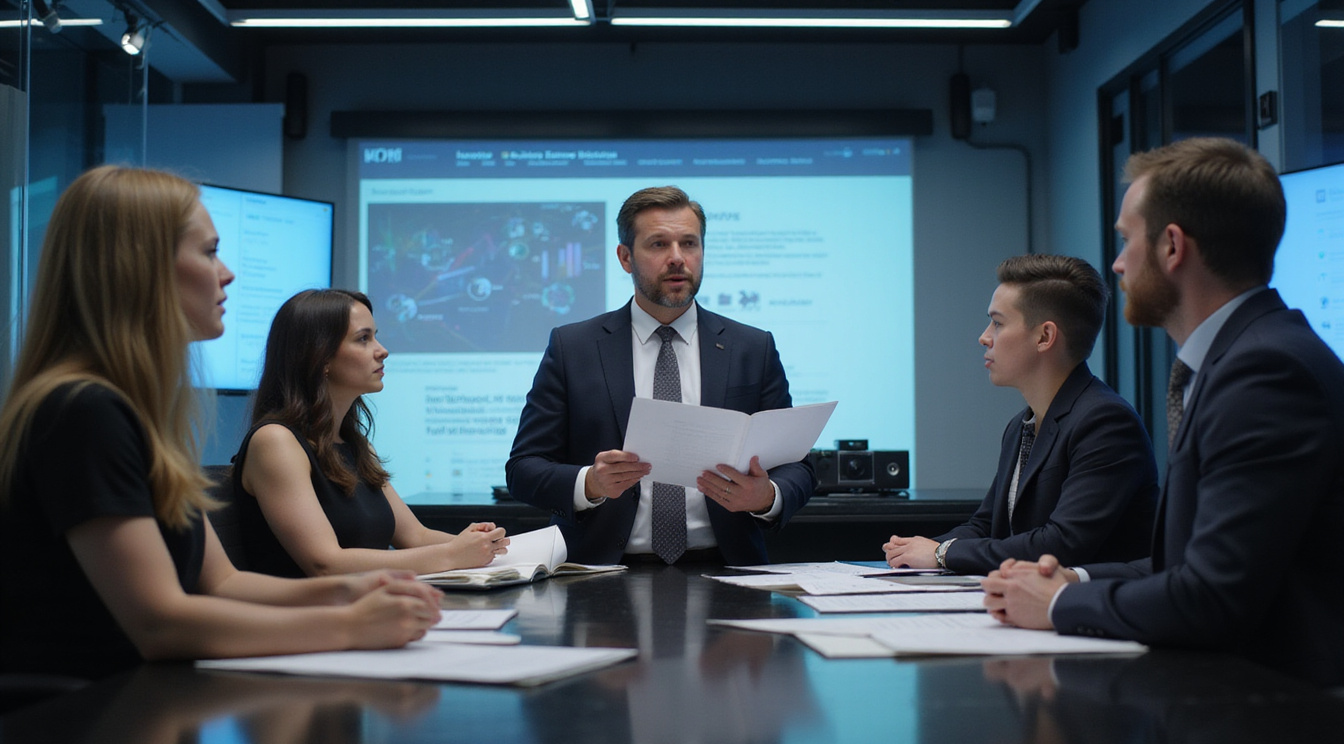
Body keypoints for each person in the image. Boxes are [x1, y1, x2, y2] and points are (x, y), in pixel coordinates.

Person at [0, 166, 443, 682]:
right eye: (210, 252)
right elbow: (158, 623)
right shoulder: (82, 411)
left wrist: (353, 588)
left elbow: (225, 584)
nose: (227, 273)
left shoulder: (133, 413)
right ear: (139, 267)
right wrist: (349, 625)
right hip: (81, 715)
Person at [983, 137, 1344, 688]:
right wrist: (1068, 582)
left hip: (1275, 710)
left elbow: (1211, 597)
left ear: (1172, 246)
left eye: (1127, 239)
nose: (1117, 263)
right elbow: (1189, 566)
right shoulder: (1242, 358)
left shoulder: (1264, 373)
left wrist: (1057, 604)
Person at [506, 186, 816, 565]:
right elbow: (524, 468)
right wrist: (589, 483)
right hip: (600, 572)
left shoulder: (752, 347)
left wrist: (767, 496)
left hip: (727, 568)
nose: (677, 258)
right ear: (625, 257)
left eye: (689, 243)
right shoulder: (573, 348)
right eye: (658, 244)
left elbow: (796, 465)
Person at [883, 254, 1157, 574]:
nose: (984, 337)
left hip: (1089, 602)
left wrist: (942, 553)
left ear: (1044, 337)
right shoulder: (1021, 425)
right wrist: (915, 549)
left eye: (998, 323)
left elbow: (1061, 544)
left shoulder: (1106, 422)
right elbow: (986, 526)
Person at [232, 288, 509, 578]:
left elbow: (415, 536)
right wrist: (452, 554)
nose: (382, 350)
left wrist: (483, 546)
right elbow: (325, 563)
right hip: (314, 608)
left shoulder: (356, 445)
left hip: (367, 603)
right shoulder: (275, 441)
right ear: (320, 356)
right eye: (363, 339)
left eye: (374, 336)